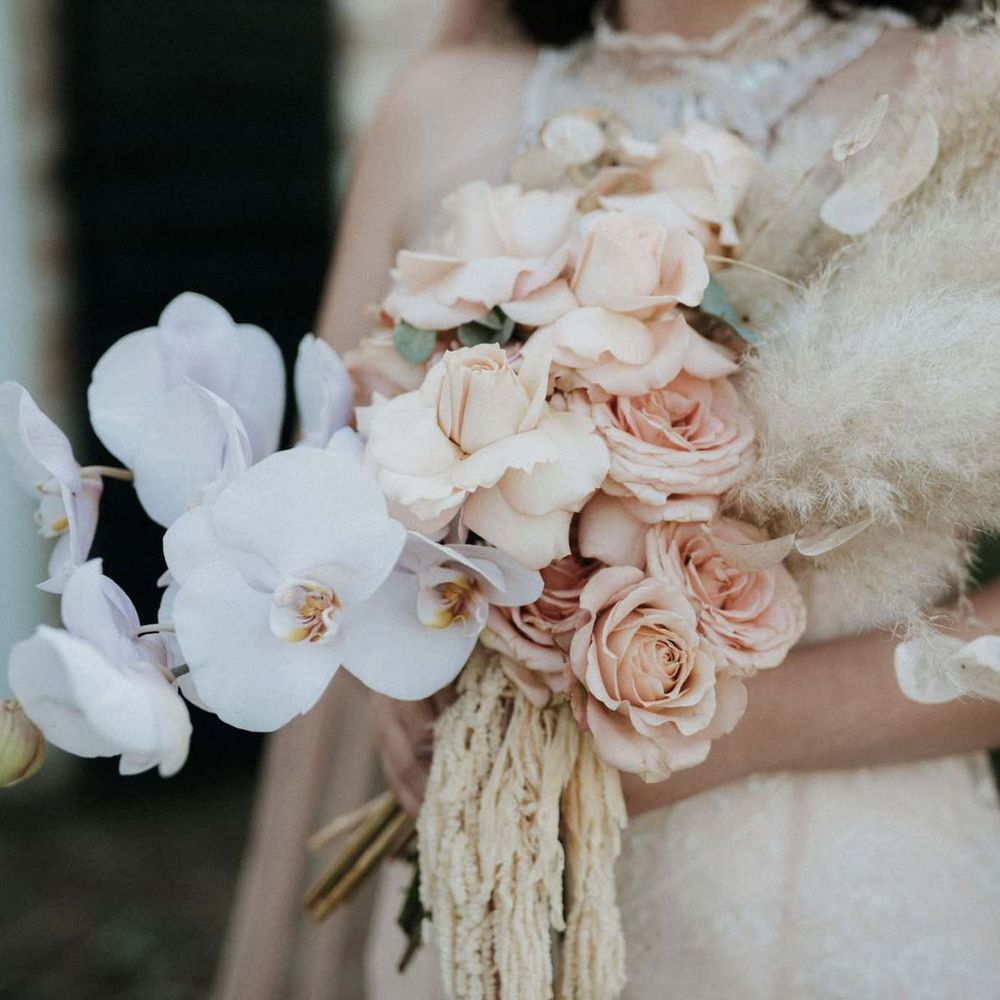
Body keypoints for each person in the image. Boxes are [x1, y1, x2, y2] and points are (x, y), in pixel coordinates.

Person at [215, 2, 1000, 997]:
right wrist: (395, 674)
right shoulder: (438, 110)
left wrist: (733, 724)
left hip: (848, 909)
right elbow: (329, 521)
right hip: (482, 900)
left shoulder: (966, 99)